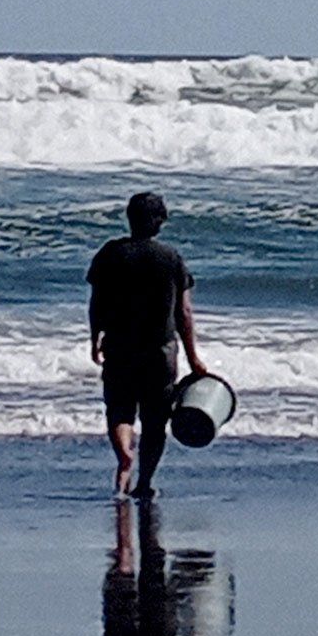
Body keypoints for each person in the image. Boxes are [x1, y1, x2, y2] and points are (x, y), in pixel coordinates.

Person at [87, 192, 206, 498]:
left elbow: (96, 302)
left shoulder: (110, 254)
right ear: (157, 222)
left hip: (120, 347)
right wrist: (194, 358)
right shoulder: (171, 258)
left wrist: (94, 337)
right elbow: (184, 313)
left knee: (120, 410)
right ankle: (144, 483)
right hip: (160, 350)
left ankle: (125, 455)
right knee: (155, 422)